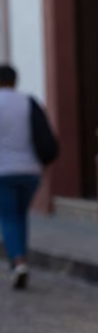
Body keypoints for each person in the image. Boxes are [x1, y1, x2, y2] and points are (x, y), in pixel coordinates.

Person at [0, 64, 57, 290]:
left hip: (3, 172)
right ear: (15, 81)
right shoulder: (29, 102)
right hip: (30, 171)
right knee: (21, 216)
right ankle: (19, 261)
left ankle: (19, 261)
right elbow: (45, 135)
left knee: (8, 217)